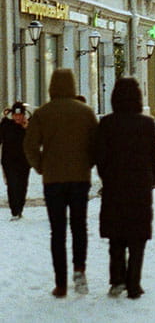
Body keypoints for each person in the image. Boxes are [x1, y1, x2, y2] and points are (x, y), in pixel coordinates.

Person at [23, 69, 98, 298]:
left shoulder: (42, 113)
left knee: (57, 231)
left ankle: (61, 283)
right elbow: (96, 144)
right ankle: (80, 270)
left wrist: (40, 166)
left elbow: (29, 146)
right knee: (79, 226)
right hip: (80, 178)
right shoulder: (86, 112)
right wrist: (87, 163)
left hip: (53, 180)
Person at [93, 78, 155, 298]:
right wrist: (150, 180)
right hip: (140, 188)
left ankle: (117, 279)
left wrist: (108, 177)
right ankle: (134, 284)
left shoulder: (107, 123)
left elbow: (100, 157)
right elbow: (153, 157)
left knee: (117, 236)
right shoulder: (147, 124)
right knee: (138, 237)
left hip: (115, 188)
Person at [1, 102, 31, 220]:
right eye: (15, 115)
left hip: (24, 161)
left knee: (22, 185)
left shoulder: (29, 124)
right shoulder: (6, 124)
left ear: (24, 115)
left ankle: (20, 208)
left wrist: (27, 129)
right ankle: (14, 210)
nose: (18, 118)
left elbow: (36, 140)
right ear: (12, 115)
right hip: (9, 161)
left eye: (20, 115)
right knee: (12, 185)